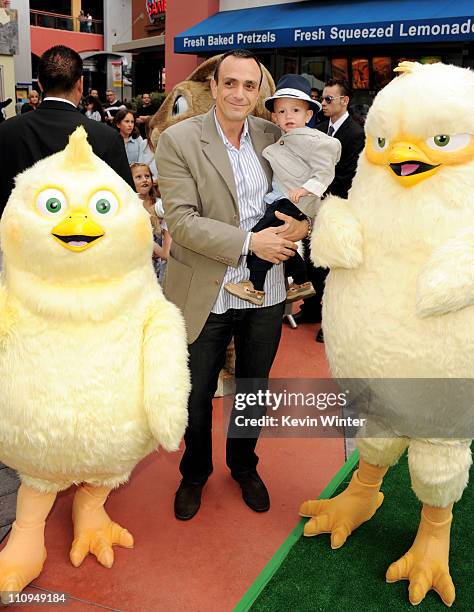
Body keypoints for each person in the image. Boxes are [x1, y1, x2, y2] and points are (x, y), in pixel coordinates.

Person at [157, 49, 309, 520]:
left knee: (253, 386)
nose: (239, 93)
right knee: (197, 392)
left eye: (249, 85)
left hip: (267, 290)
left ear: (259, 90)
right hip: (208, 288)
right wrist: (250, 243)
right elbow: (181, 222)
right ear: (214, 86)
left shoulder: (274, 135)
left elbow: (307, 192)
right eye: (230, 83)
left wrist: (303, 227)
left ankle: (244, 465)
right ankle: (195, 472)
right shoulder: (179, 140)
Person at [224, 74, 340, 306]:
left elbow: (324, 171)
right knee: (280, 243)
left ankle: (255, 287)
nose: (288, 116)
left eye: (295, 111)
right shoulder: (283, 139)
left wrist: (307, 189)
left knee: (259, 238)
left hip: (291, 201)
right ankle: (301, 281)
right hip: (281, 199)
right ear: (274, 117)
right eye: (282, 111)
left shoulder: (315, 140)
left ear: (309, 115)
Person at [0, 45, 134, 215]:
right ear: (80, 83)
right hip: (86, 237)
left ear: (40, 84)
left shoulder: (6, 132)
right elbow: (126, 205)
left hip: (17, 236)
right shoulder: (106, 137)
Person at [294, 78, 365, 341]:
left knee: (333, 267)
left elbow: (348, 175)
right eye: (321, 98)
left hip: (339, 206)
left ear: (344, 101)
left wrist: (314, 187)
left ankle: (332, 322)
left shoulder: (356, 134)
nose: (322, 103)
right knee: (313, 261)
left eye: (328, 99)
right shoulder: (320, 129)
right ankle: (311, 309)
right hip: (314, 205)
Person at [131, 162, 170, 285]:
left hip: (157, 258)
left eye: (147, 176)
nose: (144, 180)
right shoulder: (131, 203)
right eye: (138, 177)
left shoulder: (159, 204)